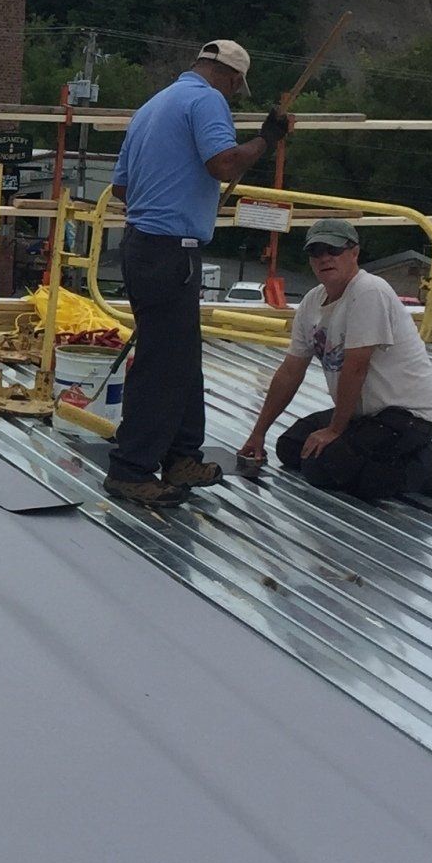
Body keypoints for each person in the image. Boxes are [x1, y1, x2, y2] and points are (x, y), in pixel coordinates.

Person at [104, 36, 292, 511]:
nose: (231, 96)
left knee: (180, 356)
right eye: (234, 89)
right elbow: (223, 163)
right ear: (230, 77)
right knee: (163, 366)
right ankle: (131, 470)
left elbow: (123, 188)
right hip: (172, 251)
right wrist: (266, 139)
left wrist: (173, 190)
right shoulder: (207, 100)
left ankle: (183, 455)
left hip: (143, 245)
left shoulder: (154, 104)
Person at [239, 219, 432, 499]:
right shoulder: (312, 302)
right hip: (365, 415)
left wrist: (336, 429)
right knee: (290, 447)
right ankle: (374, 452)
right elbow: (290, 371)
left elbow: (356, 367)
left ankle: (428, 465)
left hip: (407, 416)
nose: (325, 258)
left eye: (333, 250)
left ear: (354, 252)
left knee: (324, 466)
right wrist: (258, 433)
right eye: (316, 251)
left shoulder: (369, 290)